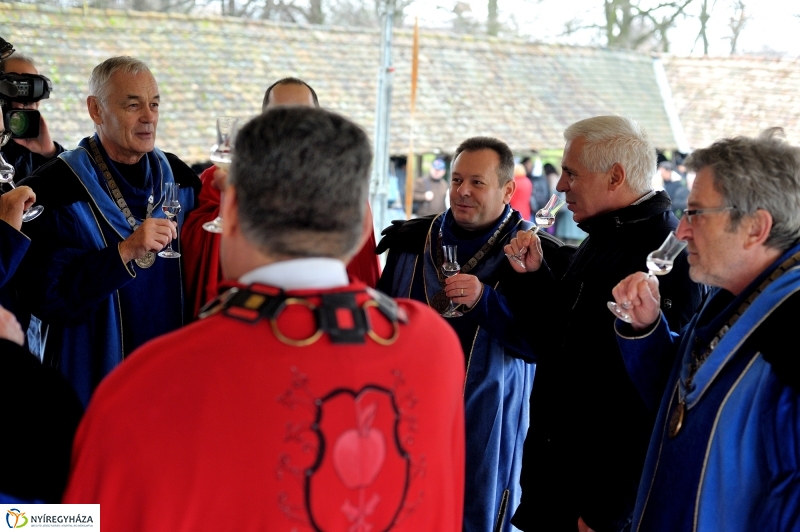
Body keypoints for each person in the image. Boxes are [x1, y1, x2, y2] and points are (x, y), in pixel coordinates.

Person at [64, 106, 466, 531]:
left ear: (231, 208)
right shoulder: (433, 348)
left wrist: (17, 517)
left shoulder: (149, 385)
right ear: (359, 222)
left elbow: (84, 521)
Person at [504, 116, 703, 532]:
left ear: (615, 176)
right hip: (554, 483)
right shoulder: (602, 235)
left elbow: (660, 394)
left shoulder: (668, 259)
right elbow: (558, 345)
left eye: (571, 173)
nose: (559, 186)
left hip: (594, 505)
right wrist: (535, 277)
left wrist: (612, 510)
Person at [612, 129, 800, 532]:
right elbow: (689, 395)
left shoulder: (792, 331)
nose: (681, 231)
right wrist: (647, 330)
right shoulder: (732, 293)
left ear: (755, 227)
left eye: (695, 213)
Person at [378, 136, 563, 532]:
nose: (462, 192)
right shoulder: (410, 243)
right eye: (457, 179)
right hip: (405, 414)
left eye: (477, 182)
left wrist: (486, 303)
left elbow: (542, 345)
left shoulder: (533, 252)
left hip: (486, 418)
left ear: (507, 189)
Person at [17, 56, 199, 405]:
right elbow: (46, 298)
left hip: (168, 387)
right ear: (96, 110)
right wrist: (124, 253)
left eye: (154, 103)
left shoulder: (180, 179)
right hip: (88, 384)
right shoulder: (53, 191)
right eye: (133, 105)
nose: (149, 116)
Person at [181, 77, 381, 318]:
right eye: (280, 116)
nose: (292, 128)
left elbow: (361, 268)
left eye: (302, 116)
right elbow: (196, 241)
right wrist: (233, 204)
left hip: (329, 315)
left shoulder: (340, 184)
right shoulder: (224, 176)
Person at [0, 53, 64, 182]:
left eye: (31, 99)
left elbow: (74, 189)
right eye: (13, 88)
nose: (22, 104)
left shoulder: (34, 150)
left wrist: (50, 153)